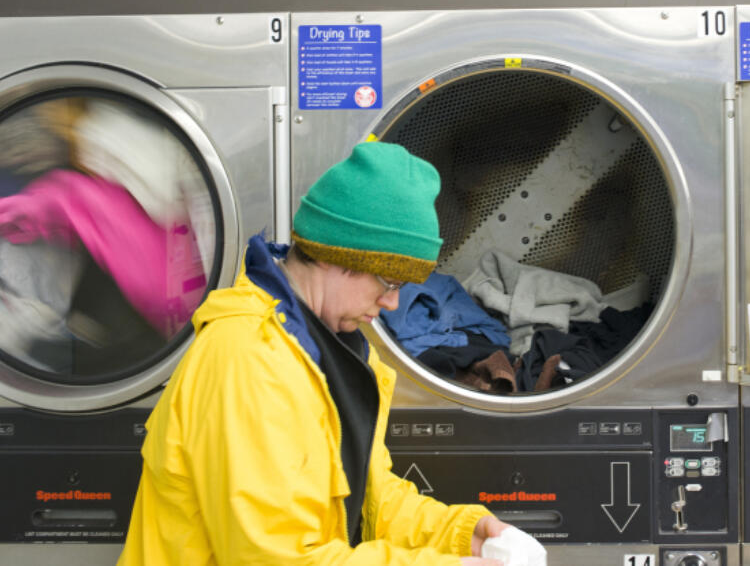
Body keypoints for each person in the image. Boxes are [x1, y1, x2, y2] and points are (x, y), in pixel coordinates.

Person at [118, 141, 511, 565]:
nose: (393, 304)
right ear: (340, 256)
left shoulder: (345, 352)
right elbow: (274, 556)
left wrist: (465, 537)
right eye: (390, 281)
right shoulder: (248, 357)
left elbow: (372, 499)